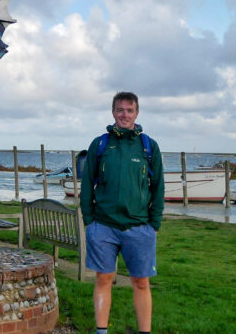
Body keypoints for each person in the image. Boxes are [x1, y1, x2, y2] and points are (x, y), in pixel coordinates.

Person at [80, 92, 165, 334]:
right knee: (104, 279)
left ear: (136, 113)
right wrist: (89, 221)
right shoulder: (100, 144)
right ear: (113, 112)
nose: (124, 114)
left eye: (129, 110)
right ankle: (101, 331)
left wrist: (154, 223)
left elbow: (158, 187)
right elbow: (87, 185)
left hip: (139, 228)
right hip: (103, 227)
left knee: (141, 282)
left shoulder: (148, 146)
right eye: (120, 110)